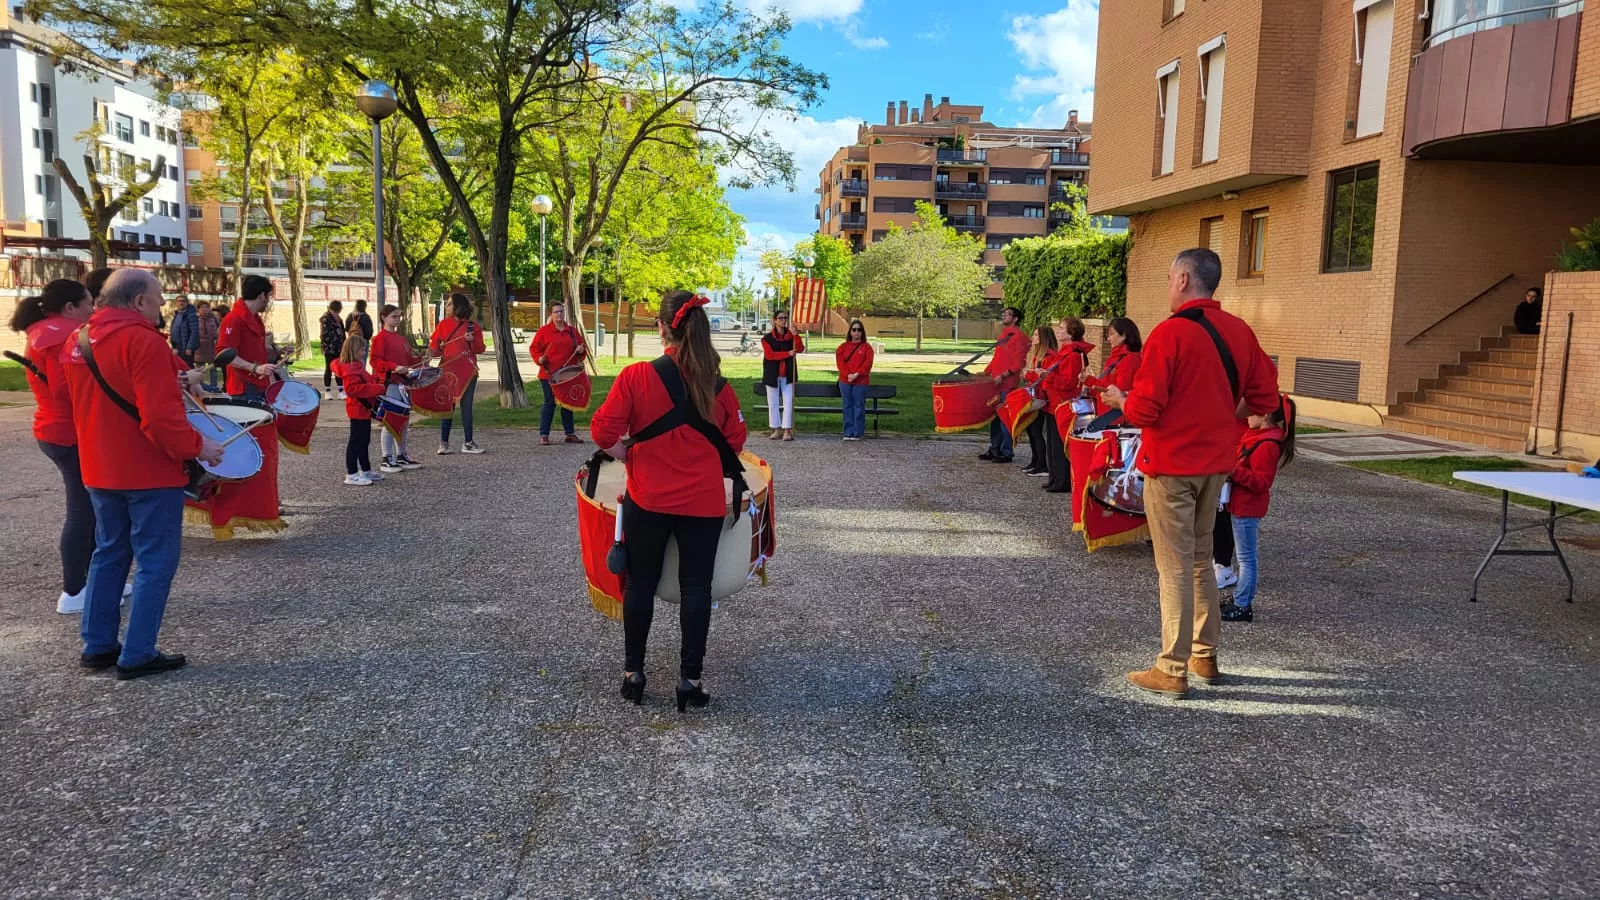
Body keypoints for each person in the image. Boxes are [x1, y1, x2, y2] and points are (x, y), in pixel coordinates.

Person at [1102, 248, 1279, 699]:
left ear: (1182, 279)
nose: (1167, 285)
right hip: (1217, 465)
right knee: (1202, 559)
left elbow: (1146, 409)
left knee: (1174, 566)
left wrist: (1120, 400)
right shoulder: (1240, 331)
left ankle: (1171, 667)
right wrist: (1223, 418)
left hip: (1172, 465)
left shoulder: (1170, 333)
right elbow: (1264, 400)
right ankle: (1205, 654)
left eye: (1167, 277)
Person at [61, 268, 224, 680]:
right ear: (137, 302)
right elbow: (159, 419)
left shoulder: (78, 340)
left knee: (108, 553)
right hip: (147, 469)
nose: (162, 306)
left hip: (99, 465)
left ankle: (97, 645)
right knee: (156, 562)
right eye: (157, 300)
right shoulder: (142, 340)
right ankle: (138, 652)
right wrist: (198, 447)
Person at [590, 290, 747, 712]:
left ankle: (633, 675)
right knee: (697, 588)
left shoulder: (636, 377)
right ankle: (689, 682)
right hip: (702, 503)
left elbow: (603, 430)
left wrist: (624, 452)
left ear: (661, 328)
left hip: (648, 499)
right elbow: (735, 441)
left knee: (639, 583)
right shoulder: (718, 384)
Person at [9, 279, 131, 614]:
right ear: (69, 308)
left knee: (90, 511)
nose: (94, 309)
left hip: (58, 430)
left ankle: (95, 578)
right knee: (83, 513)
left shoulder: (48, 331)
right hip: (68, 434)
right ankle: (75, 590)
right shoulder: (62, 336)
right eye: (89, 302)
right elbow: (69, 390)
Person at [1220, 396, 1295, 623]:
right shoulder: (1258, 437)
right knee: (1244, 557)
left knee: (1246, 559)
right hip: (1241, 504)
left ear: (1264, 416)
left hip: (1248, 506)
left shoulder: (1266, 444)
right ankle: (1239, 598)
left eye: (1251, 412)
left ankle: (1243, 605)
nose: (1247, 417)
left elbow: (1262, 482)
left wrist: (1234, 471)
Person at [1041, 317, 1095, 494]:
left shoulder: (1073, 355)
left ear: (1071, 333)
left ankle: (1062, 481)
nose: (1058, 330)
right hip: (1054, 404)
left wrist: (1047, 376)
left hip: (1064, 405)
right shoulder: (1064, 353)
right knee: (1052, 444)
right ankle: (1054, 477)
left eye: (1062, 328)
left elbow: (1068, 383)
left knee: (1059, 445)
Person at [430, 292, 487, 455]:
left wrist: (472, 341)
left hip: (468, 371)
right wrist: (433, 351)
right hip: (448, 370)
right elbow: (435, 346)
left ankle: (468, 442)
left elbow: (480, 349)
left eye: (449, 304)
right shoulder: (443, 325)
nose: (447, 306)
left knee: (466, 407)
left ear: (458, 307)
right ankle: (444, 443)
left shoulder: (472, 327)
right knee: (447, 405)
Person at [370, 303, 424, 471]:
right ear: (383, 318)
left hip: (403, 384)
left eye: (399, 316)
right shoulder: (379, 338)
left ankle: (401, 454)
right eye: (394, 316)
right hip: (389, 383)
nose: (397, 319)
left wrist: (423, 358)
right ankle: (387, 456)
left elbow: (409, 359)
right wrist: (393, 366)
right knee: (390, 419)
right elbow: (375, 361)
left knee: (404, 419)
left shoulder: (401, 339)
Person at [332, 330, 388, 486]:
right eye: (362, 350)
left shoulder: (355, 366)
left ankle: (365, 469)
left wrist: (376, 381)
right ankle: (351, 473)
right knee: (356, 441)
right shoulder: (351, 369)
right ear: (354, 350)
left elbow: (365, 381)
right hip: (357, 408)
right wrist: (377, 388)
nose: (364, 353)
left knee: (364, 440)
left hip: (362, 408)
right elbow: (353, 389)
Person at [217, 275, 282, 402]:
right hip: (244, 387)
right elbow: (223, 354)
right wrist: (254, 368)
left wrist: (277, 351)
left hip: (260, 385)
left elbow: (255, 351)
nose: (268, 301)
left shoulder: (256, 319)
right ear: (262, 295)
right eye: (268, 296)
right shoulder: (233, 319)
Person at [529, 302, 585, 446]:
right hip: (548, 374)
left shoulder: (572, 331)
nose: (559, 314)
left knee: (567, 404)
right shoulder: (544, 331)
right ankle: (544, 434)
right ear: (551, 315)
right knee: (550, 403)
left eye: (561, 311)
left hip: (568, 375)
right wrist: (539, 359)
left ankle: (569, 433)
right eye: (556, 312)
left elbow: (582, 349)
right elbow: (534, 349)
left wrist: (581, 350)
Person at [980, 306, 1027, 463]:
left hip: (1007, 384)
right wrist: (985, 373)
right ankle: (995, 449)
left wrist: (1004, 375)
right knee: (994, 417)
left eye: (1007, 314)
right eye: (1003, 314)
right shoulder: (1003, 336)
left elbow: (1019, 363)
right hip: (995, 383)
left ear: (1015, 319)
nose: (1003, 316)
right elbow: (996, 359)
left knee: (1005, 418)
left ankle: (1006, 452)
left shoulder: (1019, 337)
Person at [1081, 317, 1143, 416]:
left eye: (1112, 334)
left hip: (1115, 417)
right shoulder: (1115, 358)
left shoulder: (1130, 360)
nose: (1108, 339)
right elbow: (1105, 387)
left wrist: (1091, 381)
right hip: (1104, 413)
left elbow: (1119, 392)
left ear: (1123, 336)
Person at [1019, 326, 1059, 475]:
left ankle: (1042, 465)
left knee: (1036, 431)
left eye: (1036, 335)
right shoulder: (1040, 356)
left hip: (1042, 398)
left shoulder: (1048, 357)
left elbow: (1044, 379)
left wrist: (1028, 375)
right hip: (1036, 395)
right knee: (1031, 430)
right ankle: (1035, 461)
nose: (1033, 337)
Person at [761, 310, 804, 441]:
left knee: (788, 402)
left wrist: (796, 335)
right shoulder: (767, 339)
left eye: (785, 318)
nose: (783, 320)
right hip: (772, 373)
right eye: (780, 318)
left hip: (788, 373)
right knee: (773, 403)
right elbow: (770, 355)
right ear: (774, 320)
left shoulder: (791, 336)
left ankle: (787, 430)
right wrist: (787, 354)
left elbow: (800, 349)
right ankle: (776, 429)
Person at [835, 318, 874, 441]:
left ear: (862, 332)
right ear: (850, 332)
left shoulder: (867, 348)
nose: (856, 332)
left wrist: (857, 374)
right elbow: (840, 363)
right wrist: (848, 375)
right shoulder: (842, 347)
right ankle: (848, 432)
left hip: (860, 381)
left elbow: (867, 364)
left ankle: (857, 432)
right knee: (847, 406)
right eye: (854, 330)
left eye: (859, 330)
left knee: (858, 406)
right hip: (845, 381)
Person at [320, 300, 346, 399]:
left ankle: (341, 391)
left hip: (339, 348)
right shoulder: (326, 318)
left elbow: (342, 333)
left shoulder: (338, 319)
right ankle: (327, 391)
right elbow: (325, 334)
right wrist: (327, 345)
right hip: (330, 348)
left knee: (339, 369)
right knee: (329, 368)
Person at [194, 300, 220, 387]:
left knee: (213, 369)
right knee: (200, 370)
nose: (205, 309)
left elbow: (219, 331)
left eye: (206, 307)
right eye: (202, 307)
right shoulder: (195, 320)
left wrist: (217, 339)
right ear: (198, 310)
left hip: (211, 349)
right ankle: (201, 387)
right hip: (199, 349)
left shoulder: (214, 319)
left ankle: (214, 387)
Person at [168, 294, 198, 367]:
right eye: (179, 301)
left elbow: (195, 332)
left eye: (183, 301)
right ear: (176, 303)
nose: (181, 303)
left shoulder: (191, 315)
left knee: (187, 367)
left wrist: (189, 347)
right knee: (179, 366)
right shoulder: (177, 314)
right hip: (176, 345)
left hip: (185, 346)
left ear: (187, 303)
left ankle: (195, 378)